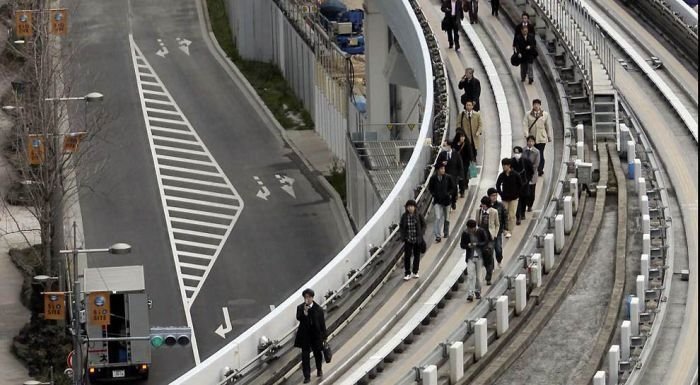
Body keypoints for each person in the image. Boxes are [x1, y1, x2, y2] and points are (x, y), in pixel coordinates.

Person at [294, 288, 327, 383]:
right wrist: (305, 313)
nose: (307, 299)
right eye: (305, 297)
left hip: (315, 336)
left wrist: (324, 336)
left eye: (308, 297)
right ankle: (307, 376)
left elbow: (322, 324)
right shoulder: (300, 308)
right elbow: (298, 317)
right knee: (305, 357)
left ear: (312, 297)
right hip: (305, 336)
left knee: (317, 354)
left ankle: (319, 369)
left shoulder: (318, 309)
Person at [461, 219, 489, 301]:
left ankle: (478, 291)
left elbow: (486, 241)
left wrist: (477, 244)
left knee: (479, 277)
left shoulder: (481, 231)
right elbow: (462, 245)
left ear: (474, 227)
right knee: (470, 276)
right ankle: (470, 293)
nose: (469, 230)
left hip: (480, 257)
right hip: (470, 257)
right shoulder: (465, 233)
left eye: (471, 229)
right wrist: (468, 245)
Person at [428, 163, 457, 242]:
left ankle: (446, 232)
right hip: (437, 201)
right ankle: (437, 235)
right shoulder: (433, 178)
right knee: (437, 217)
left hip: (447, 201)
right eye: (441, 169)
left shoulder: (448, 177)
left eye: (444, 169)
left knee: (447, 217)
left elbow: (453, 188)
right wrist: (434, 194)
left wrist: (449, 194)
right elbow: (430, 188)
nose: (443, 170)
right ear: (437, 170)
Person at [523, 99, 552, 176]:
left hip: (541, 138)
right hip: (532, 138)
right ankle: (532, 168)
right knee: (532, 153)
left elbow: (547, 126)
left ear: (540, 105)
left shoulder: (545, 114)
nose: (536, 106)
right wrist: (527, 135)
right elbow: (525, 125)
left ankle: (540, 169)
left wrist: (549, 136)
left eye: (537, 104)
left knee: (540, 153)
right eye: (535, 104)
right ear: (532, 105)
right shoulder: (528, 114)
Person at [399, 199, 427, 280]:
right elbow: (401, 226)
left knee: (416, 255)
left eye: (412, 206)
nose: (410, 208)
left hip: (417, 239)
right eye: (408, 207)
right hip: (408, 239)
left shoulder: (418, 215)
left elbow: (424, 225)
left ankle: (415, 271)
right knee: (407, 256)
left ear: (415, 207)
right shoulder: (404, 216)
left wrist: (421, 234)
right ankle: (407, 272)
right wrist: (403, 236)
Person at [495, 158, 522, 238]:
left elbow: (520, 184)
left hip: (514, 198)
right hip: (505, 198)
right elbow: (498, 185)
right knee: (505, 214)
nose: (503, 167)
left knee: (512, 215)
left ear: (509, 165)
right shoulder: (502, 175)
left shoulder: (515, 174)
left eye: (505, 165)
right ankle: (505, 229)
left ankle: (510, 230)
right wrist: (501, 193)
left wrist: (517, 194)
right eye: (503, 165)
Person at [477, 196, 499, 284]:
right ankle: (489, 268)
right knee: (485, 256)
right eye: (482, 205)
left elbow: (497, 224)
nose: (483, 206)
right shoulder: (478, 212)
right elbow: (477, 223)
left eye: (484, 205)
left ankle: (488, 276)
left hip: (490, 237)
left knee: (489, 253)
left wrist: (495, 234)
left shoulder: (494, 212)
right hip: (481, 238)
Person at [510, 146, 534, 225]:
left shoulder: (526, 161)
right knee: (518, 200)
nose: (516, 154)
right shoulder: (511, 162)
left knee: (524, 198)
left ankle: (523, 212)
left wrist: (528, 179)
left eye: (518, 152)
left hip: (524, 183)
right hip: (515, 185)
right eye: (515, 152)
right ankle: (518, 216)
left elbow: (531, 171)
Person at [488, 187, 507, 267]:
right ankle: (491, 266)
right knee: (490, 250)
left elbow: (505, 216)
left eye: (495, 195)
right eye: (492, 196)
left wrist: (505, 228)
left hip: (498, 231)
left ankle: (499, 260)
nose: (494, 197)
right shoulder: (486, 206)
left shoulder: (500, 205)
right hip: (489, 232)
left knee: (498, 248)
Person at [452, 130, 474, 198]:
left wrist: (471, 160)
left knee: (462, 177)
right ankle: (455, 192)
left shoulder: (466, 144)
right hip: (456, 163)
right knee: (455, 178)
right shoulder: (454, 144)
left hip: (464, 163)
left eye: (463, 137)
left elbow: (470, 153)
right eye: (461, 137)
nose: (462, 138)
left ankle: (462, 191)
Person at [523, 136, 541, 212]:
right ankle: (525, 204)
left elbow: (536, 164)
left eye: (532, 141)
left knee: (531, 191)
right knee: (525, 191)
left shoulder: (536, 152)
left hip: (532, 174)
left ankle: (530, 205)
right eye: (529, 141)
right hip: (524, 175)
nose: (530, 143)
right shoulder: (523, 150)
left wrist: (530, 170)